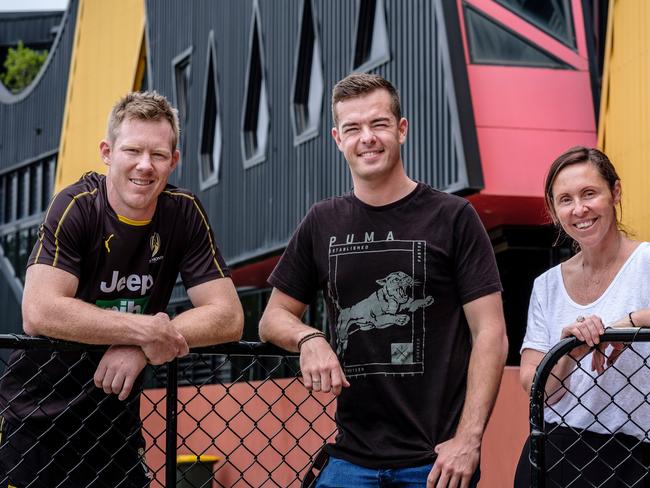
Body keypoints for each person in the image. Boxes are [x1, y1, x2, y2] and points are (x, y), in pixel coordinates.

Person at [258, 73, 508, 488]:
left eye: (379, 124)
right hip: (350, 459)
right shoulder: (322, 221)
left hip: (436, 462)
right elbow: (272, 318)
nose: (367, 138)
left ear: (402, 129)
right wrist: (309, 339)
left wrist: (468, 440)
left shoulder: (453, 217)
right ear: (338, 139)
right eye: (353, 128)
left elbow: (491, 333)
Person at [0, 91, 244, 488]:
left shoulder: (184, 213)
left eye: (159, 155)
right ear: (107, 152)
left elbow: (229, 316)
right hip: (37, 418)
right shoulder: (76, 205)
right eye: (133, 150)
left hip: (114, 420)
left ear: (174, 161)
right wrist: (146, 332)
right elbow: (39, 310)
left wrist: (139, 347)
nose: (145, 166)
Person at [515, 146, 650, 487]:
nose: (579, 209)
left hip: (637, 452)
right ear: (554, 210)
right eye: (565, 199)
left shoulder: (645, 262)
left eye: (590, 193)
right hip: (557, 449)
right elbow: (535, 388)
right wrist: (568, 355)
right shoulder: (546, 285)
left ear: (615, 192)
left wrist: (624, 325)